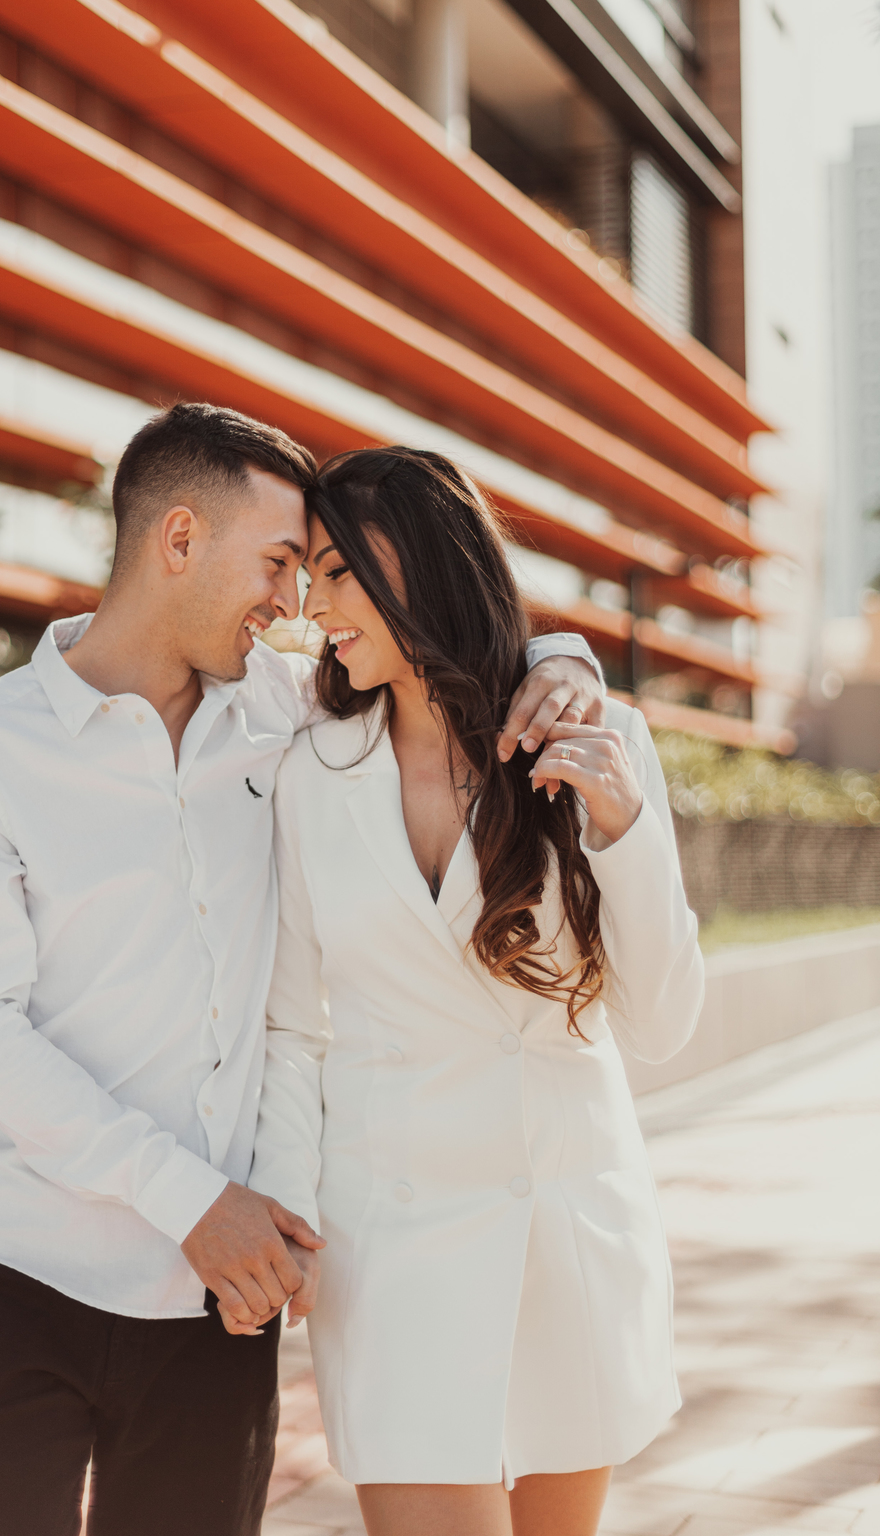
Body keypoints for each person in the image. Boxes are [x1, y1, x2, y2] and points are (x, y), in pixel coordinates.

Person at [0, 404, 605, 1536]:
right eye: (277, 564)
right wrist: (196, 1202)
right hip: (12, 1276)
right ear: (179, 541)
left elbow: (445, 655)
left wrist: (566, 657)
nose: (297, 605)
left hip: (216, 1298)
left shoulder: (290, 720)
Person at [246, 446, 703, 1536]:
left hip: (567, 1235)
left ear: (426, 565)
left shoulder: (601, 738)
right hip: (395, 1251)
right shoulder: (312, 773)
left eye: (338, 571)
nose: (315, 604)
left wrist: (626, 828)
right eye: (306, 574)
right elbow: (291, 1025)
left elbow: (665, 1023)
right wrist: (287, 1208)